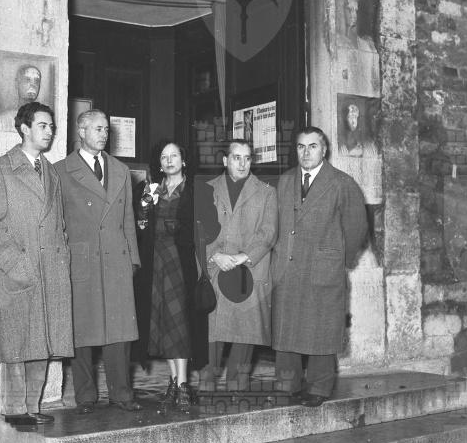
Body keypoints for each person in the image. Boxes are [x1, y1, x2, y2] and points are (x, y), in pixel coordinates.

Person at [0, 102, 73, 426]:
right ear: (24, 128)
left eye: (51, 126)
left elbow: (59, 224)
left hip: (50, 270)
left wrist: (61, 257)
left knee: (42, 342)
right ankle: (15, 409)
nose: (50, 132)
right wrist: (18, 265)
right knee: (17, 342)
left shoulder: (51, 172)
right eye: (43, 126)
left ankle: (33, 406)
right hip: (19, 270)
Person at [272, 126, 368, 407]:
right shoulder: (285, 181)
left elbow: (357, 228)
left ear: (324, 150)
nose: (306, 152)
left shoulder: (341, 183)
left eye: (312, 146)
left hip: (322, 268)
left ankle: (319, 387)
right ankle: (287, 383)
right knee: (286, 326)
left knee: (322, 328)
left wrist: (340, 260)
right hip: (287, 267)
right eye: (301, 146)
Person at [54, 109, 142, 413]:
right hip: (82, 259)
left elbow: (128, 218)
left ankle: (122, 394)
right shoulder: (61, 171)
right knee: (83, 332)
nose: (104, 134)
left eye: (106, 129)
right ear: (82, 131)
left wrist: (133, 260)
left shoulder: (120, 170)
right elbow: (56, 222)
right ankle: (86, 397)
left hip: (116, 259)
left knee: (120, 331)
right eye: (98, 129)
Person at [132, 141, 219, 413]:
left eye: (174, 156)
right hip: (156, 264)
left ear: (184, 161)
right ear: (159, 164)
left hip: (182, 263)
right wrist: (143, 211)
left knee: (179, 322)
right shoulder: (150, 189)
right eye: (164, 157)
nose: (169, 160)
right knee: (163, 325)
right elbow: (140, 226)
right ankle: (174, 382)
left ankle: (182, 385)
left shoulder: (197, 190)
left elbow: (212, 227)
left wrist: (184, 228)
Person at [200, 140, 278, 391]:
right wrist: (214, 255)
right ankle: (207, 383)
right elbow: (198, 230)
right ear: (225, 160)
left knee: (245, 332)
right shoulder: (207, 189)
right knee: (212, 330)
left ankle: (237, 385)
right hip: (216, 267)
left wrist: (244, 256)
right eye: (236, 157)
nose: (242, 163)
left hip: (249, 269)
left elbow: (268, 232)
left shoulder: (266, 192)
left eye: (247, 158)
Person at [0, 65, 42, 132]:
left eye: (36, 81)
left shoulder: (44, 120)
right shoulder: (4, 120)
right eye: (27, 80)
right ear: (17, 83)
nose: (33, 85)